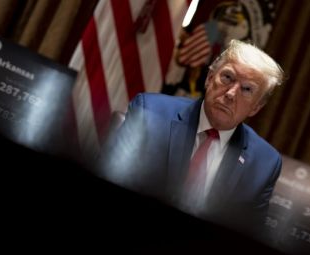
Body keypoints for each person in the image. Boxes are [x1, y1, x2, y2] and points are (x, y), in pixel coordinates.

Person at [97, 39, 285, 230]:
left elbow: (247, 240)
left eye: (247, 89)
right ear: (209, 78)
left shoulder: (265, 163)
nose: (230, 93)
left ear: (256, 107)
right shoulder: (150, 113)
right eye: (227, 78)